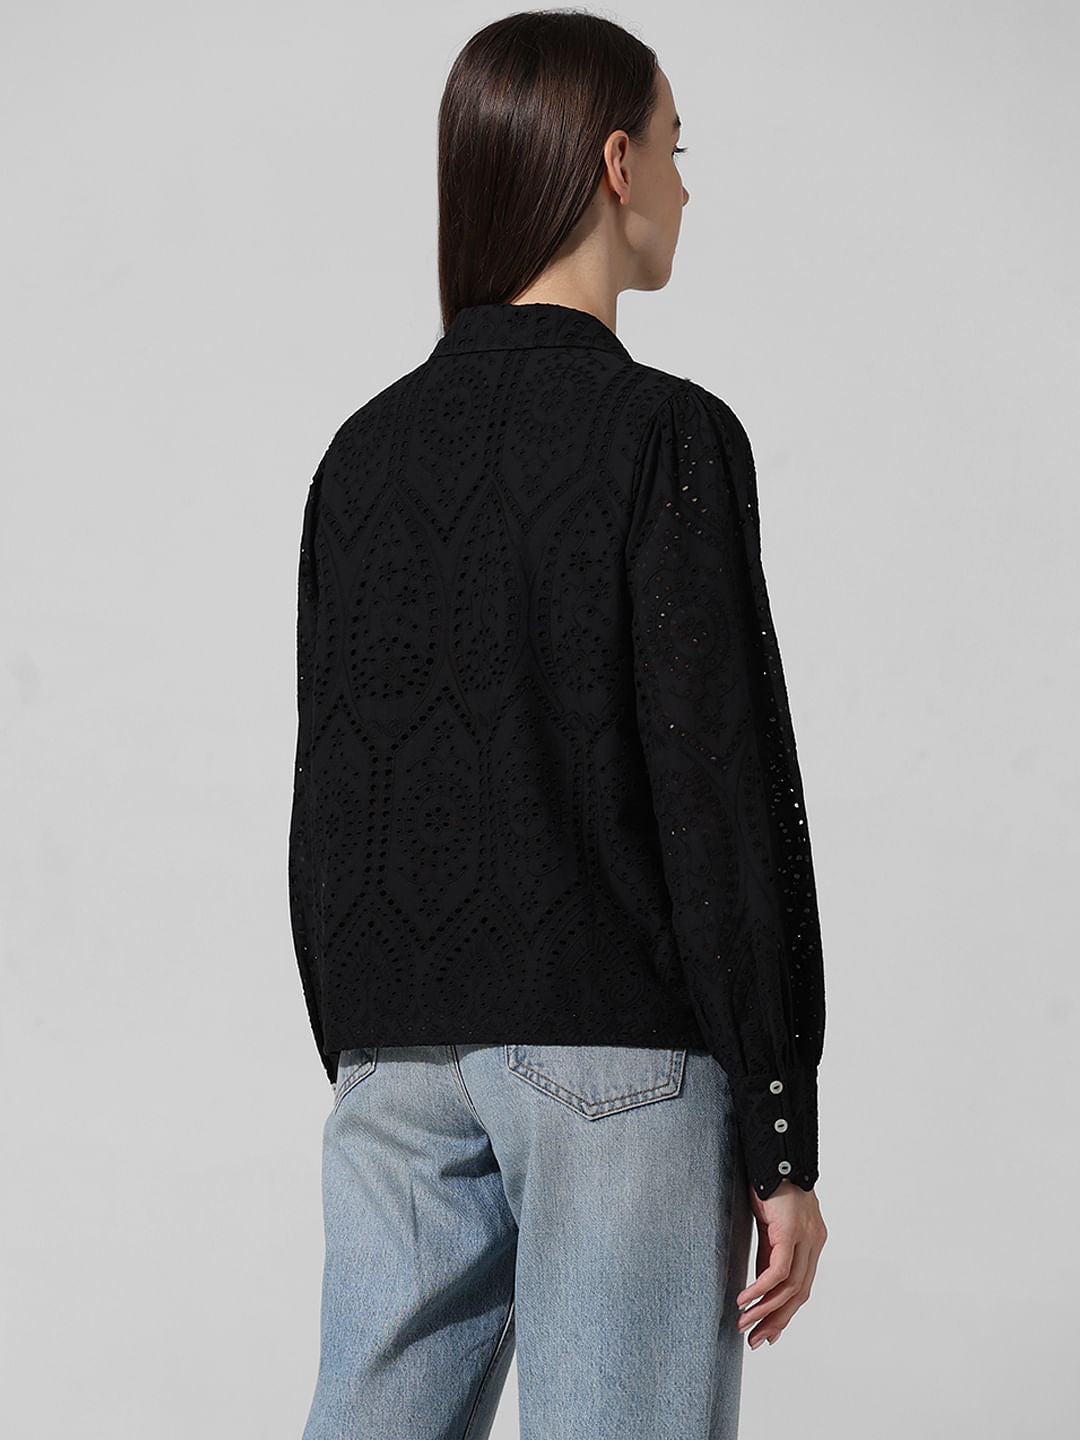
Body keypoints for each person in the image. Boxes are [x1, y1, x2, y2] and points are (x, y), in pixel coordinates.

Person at [288, 10, 828, 1439]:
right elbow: (717, 792)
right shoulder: (665, 436)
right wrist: (780, 1129)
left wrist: (363, 1041)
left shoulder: (361, 454)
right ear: (614, 163)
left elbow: (329, 788)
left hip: (396, 1056)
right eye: (675, 148)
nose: (686, 186)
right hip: (615, 1054)